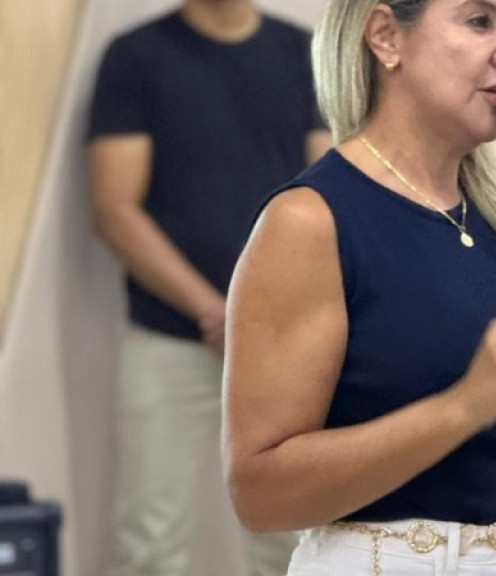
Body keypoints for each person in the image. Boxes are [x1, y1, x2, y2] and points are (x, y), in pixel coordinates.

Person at [220, 0, 496, 575]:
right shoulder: (310, 221)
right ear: (385, 36)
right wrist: (465, 406)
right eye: (479, 21)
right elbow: (260, 496)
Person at [87, 0, 332, 574]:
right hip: (170, 336)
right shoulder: (135, 56)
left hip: (285, 344)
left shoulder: (305, 54)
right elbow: (115, 210)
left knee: (293, 542)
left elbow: (329, 193)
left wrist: (261, 315)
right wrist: (217, 313)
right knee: (149, 538)